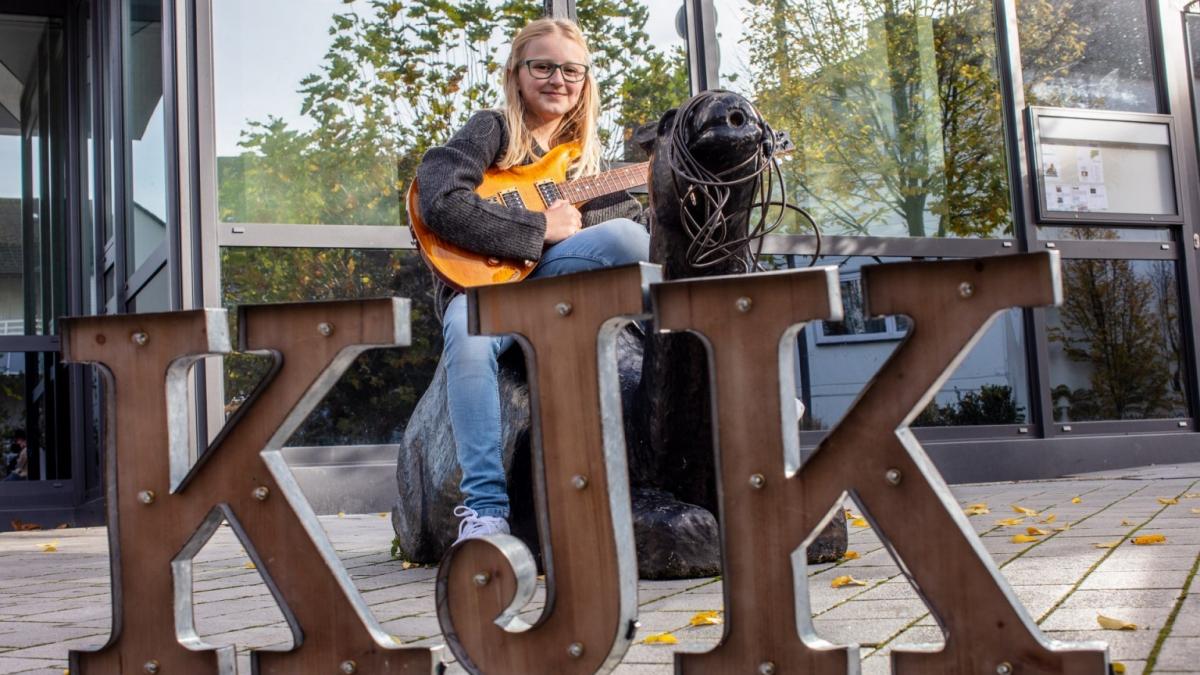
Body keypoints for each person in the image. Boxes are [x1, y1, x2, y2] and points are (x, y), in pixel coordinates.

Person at [416, 17, 650, 544]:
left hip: (556, 282)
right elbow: (438, 199)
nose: (557, 79)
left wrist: (678, 190)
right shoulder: (490, 129)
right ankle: (485, 514)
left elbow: (615, 231)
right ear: (516, 73)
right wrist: (537, 226)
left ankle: (723, 360)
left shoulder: (582, 158)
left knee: (633, 241)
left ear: (585, 80)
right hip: (486, 285)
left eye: (571, 70)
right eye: (542, 66)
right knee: (467, 338)